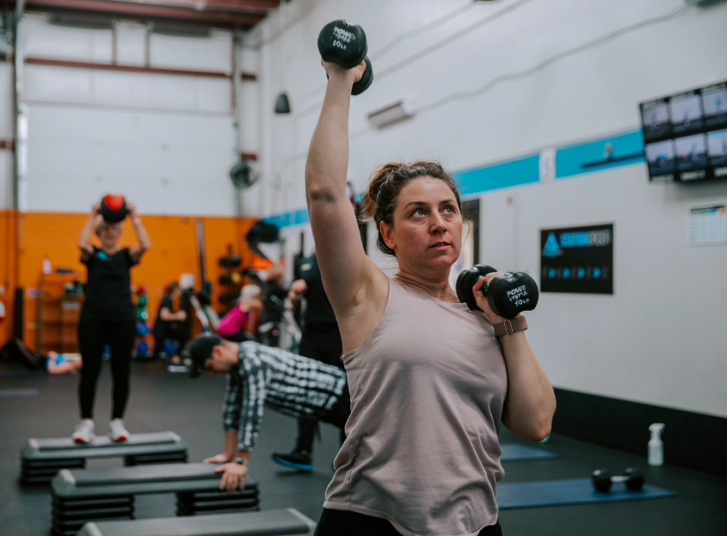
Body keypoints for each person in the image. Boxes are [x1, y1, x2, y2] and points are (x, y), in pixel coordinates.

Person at [306, 59, 556, 536]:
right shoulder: (368, 295)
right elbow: (324, 194)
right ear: (388, 234)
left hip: (476, 524)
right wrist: (341, 77)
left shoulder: (484, 313)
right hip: (371, 521)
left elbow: (537, 423)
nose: (439, 222)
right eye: (417, 213)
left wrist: (509, 322)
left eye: (448, 210)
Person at [185, 334, 350, 493]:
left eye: (209, 367)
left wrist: (240, 461)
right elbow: (232, 410)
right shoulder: (238, 362)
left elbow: (252, 412)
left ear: (218, 352)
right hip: (327, 406)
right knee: (351, 467)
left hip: (344, 395)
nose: (212, 373)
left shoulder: (253, 361)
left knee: (355, 466)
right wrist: (229, 455)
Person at [73, 201, 150, 443]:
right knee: (90, 371)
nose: (110, 232)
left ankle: (117, 422)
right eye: (105, 229)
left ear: (119, 232)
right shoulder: (92, 255)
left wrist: (134, 216)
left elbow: (146, 244)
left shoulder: (127, 255)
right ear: (100, 232)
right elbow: (81, 243)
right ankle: (86, 423)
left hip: (123, 320)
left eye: (114, 229)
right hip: (93, 319)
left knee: (121, 372)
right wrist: (93, 213)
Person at [270, 252, 343, 472]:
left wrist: (351, 340)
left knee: (347, 398)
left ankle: (347, 459)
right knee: (306, 392)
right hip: (311, 335)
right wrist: (295, 293)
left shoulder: (344, 256)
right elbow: (294, 298)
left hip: (338, 336)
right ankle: (302, 452)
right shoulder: (307, 261)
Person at [153, 282, 187, 366]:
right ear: (175, 290)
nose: (181, 291)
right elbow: (164, 316)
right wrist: (178, 316)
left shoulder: (169, 300)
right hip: (160, 331)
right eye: (179, 289)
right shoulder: (168, 300)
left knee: (183, 336)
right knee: (154, 357)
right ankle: (135, 359)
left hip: (164, 330)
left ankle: (176, 357)